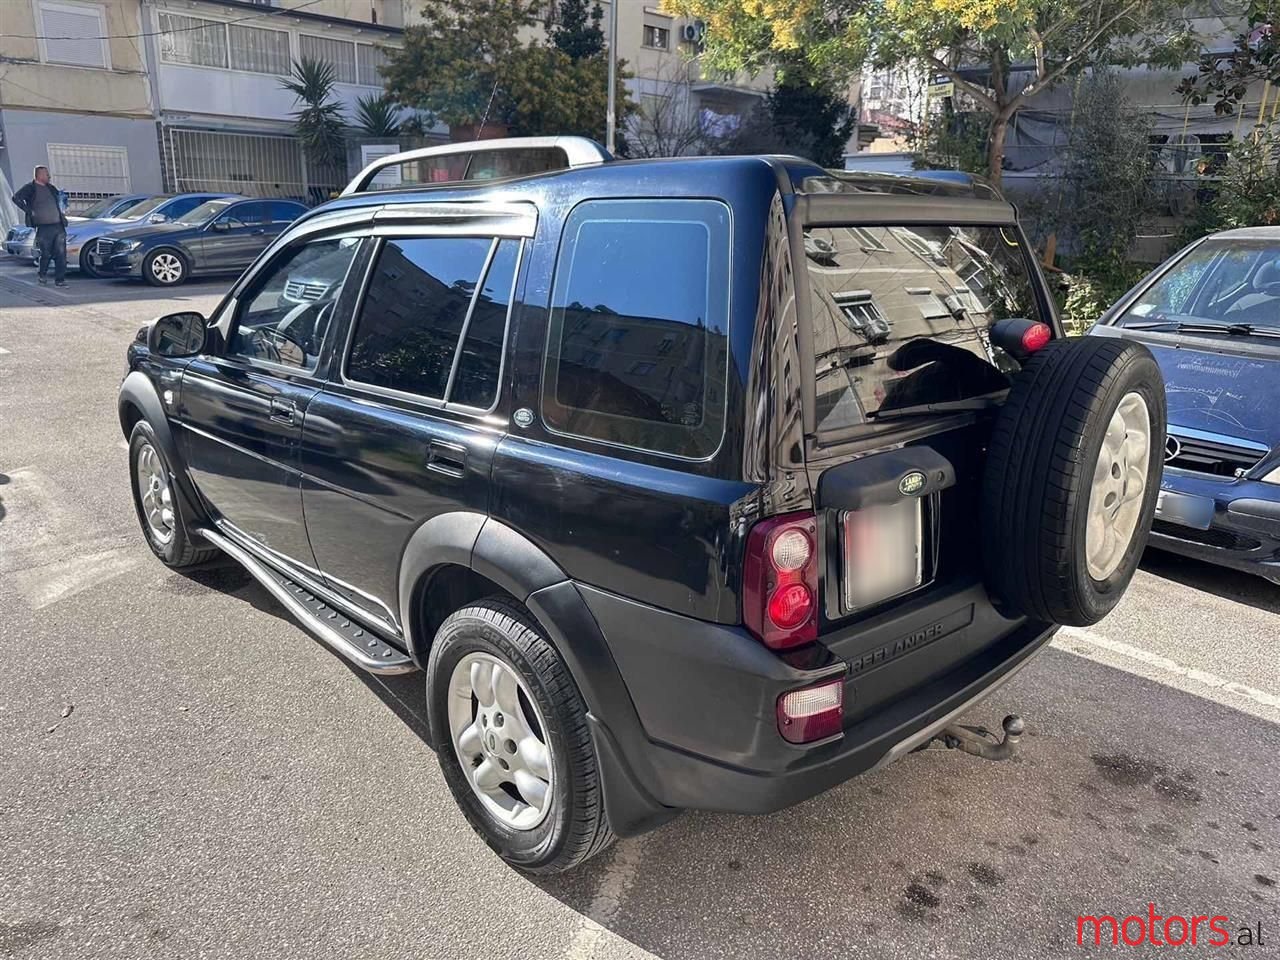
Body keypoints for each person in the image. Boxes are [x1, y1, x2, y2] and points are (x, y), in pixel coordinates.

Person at [12, 165, 68, 286]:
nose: (49, 176)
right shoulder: (30, 188)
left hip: (58, 225)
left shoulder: (51, 188)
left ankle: (60, 280)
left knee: (61, 253)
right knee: (46, 253)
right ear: (40, 175)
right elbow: (16, 198)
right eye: (46, 174)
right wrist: (29, 210)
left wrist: (63, 201)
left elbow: (59, 200)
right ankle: (42, 275)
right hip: (43, 227)